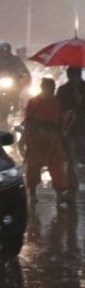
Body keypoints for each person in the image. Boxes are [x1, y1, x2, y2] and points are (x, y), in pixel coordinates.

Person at [24, 78, 70, 204]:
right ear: (43, 88)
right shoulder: (33, 102)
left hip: (53, 139)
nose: (51, 90)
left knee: (57, 166)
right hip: (36, 139)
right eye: (49, 88)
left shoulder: (58, 102)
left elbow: (61, 120)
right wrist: (26, 138)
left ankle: (60, 193)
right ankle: (32, 193)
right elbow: (28, 121)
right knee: (33, 167)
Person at [57, 66, 85, 194]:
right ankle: (72, 187)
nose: (75, 79)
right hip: (71, 130)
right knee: (71, 159)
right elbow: (60, 109)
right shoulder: (63, 90)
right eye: (72, 76)